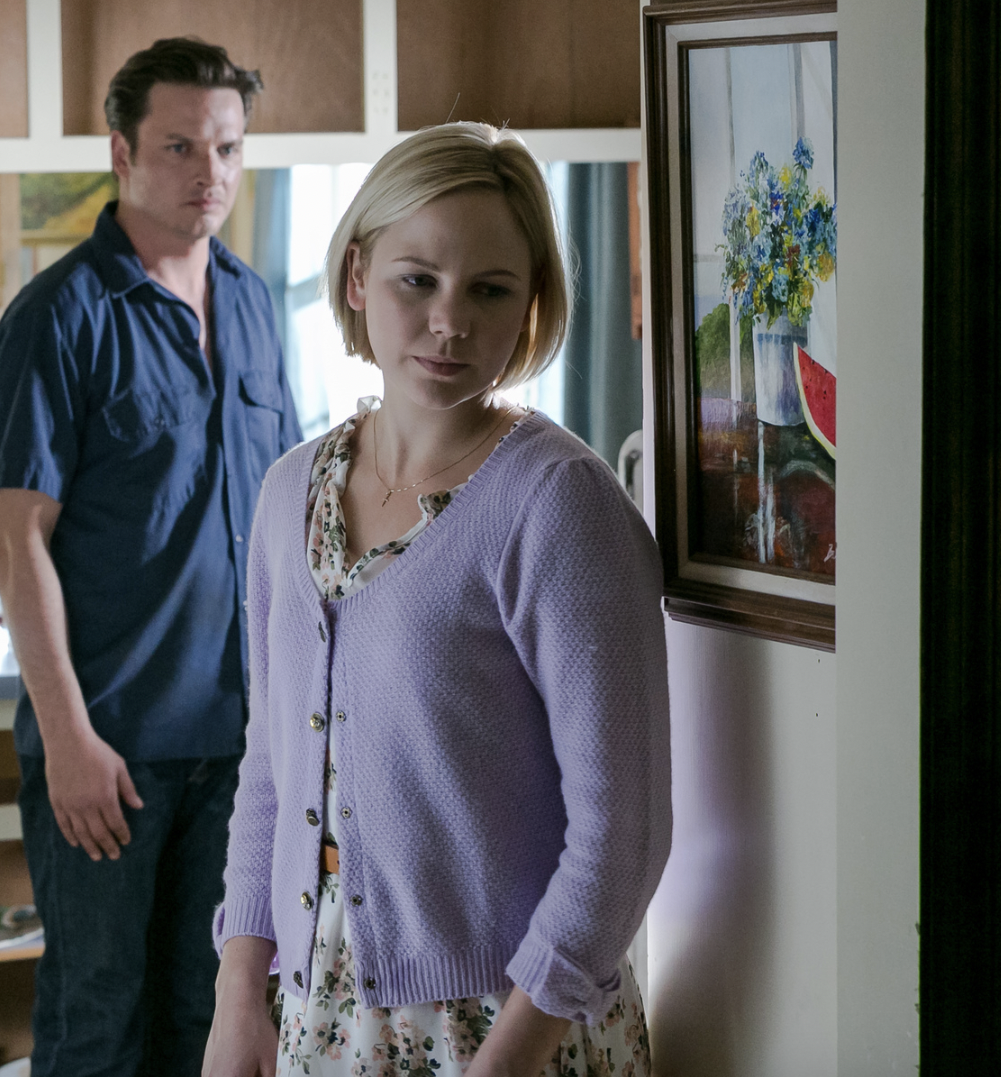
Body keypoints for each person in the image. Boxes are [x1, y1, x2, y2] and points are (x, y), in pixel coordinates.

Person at [204, 123, 671, 1077]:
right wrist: (238, 995)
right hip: (317, 1015)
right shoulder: (290, 492)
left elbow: (622, 835)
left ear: (531, 303)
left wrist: (508, 1059)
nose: (450, 321)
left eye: (489, 290)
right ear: (357, 277)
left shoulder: (559, 505)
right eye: (417, 280)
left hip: (512, 1027)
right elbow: (271, 772)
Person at [0, 37, 303, 1077]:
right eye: (179, 146)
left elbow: (286, 518)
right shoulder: (58, 316)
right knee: (98, 1030)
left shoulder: (254, 302)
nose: (209, 172)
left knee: (214, 1024)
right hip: (109, 753)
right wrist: (68, 739)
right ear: (120, 153)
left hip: (244, 751)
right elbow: (16, 542)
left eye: (227, 148)